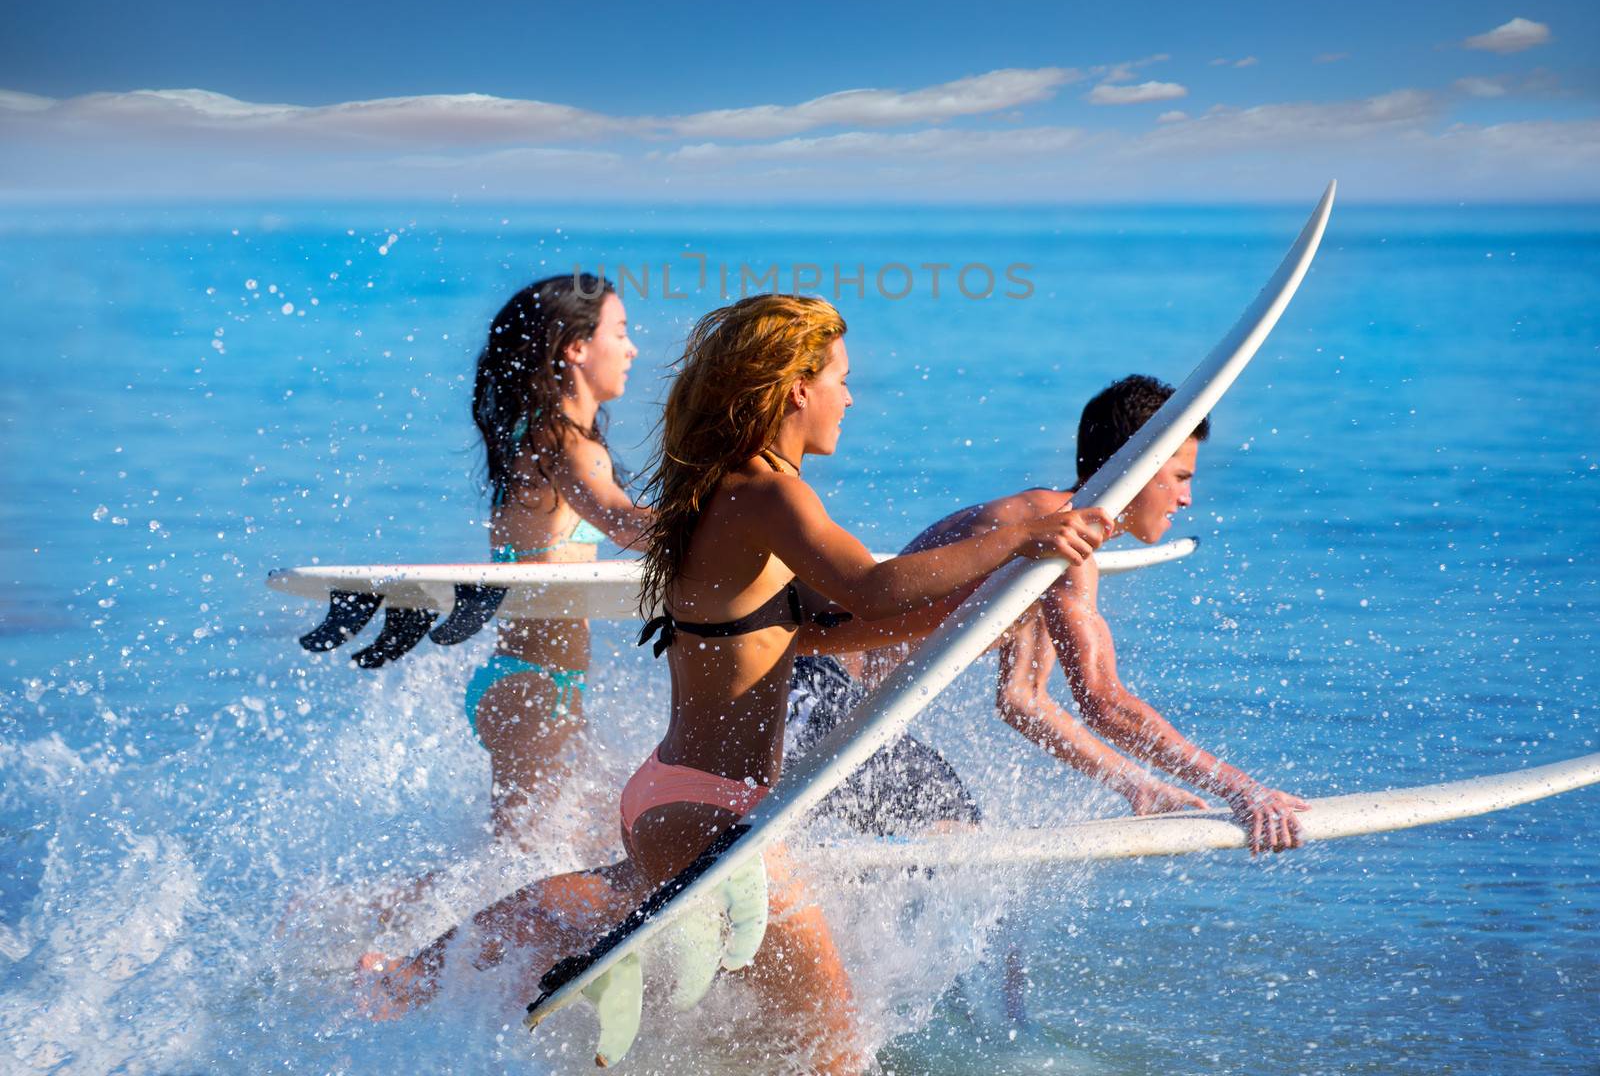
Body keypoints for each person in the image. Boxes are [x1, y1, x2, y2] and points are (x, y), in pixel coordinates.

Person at [361, 294, 1112, 1069]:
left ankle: (419, 974)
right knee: (835, 1054)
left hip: (674, 794)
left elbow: (832, 629)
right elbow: (873, 586)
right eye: (841, 381)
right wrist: (1023, 534)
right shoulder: (767, 493)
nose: (850, 399)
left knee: (704, 994)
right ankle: (417, 973)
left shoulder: (726, 490)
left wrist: (979, 604)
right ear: (796, 389)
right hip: (717, 810)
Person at [788, 374, 1308, 855]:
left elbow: (1023, 701)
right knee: (953, 833)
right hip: (812, 689)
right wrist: (1244, 790)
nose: (1187, 498)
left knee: (952, 837)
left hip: (836, 703)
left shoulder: (1047, 537)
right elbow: (1105, 702)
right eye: (1179, 477)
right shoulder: (1054, 534)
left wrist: (1140, 787)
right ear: (1138, 465)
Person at [468, 273, 651, 838]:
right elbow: (629, 526)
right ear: (576, 347)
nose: (632, 348)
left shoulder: (535, 437)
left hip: (532, 682)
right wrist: (739, 516)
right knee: (517, 865)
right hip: (536, 687)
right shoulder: (569, 446)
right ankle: (361, 916)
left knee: (554, 848)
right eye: (619, 332)